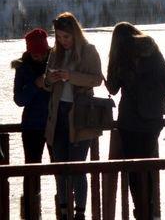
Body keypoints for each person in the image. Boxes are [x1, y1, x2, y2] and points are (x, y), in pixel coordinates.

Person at [106, 23, 165, 220]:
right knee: (147, 166)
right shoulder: (152, 49)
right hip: (153, 120)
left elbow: (112, 88)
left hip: (129, 121)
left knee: (134, 168)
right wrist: (153, 98)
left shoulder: (120, 54)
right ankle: (149, 209)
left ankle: (141, 210)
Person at [44, 13, 103, 220]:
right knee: (59, 166)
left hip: (80, 115)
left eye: (66, 37)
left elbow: (97, 80)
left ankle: (80, 212)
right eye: (59, 37)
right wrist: (50, 79)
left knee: (78, 166)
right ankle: (63, 209)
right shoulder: (55, 53)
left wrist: (71, 77)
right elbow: (46, 83)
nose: (62, 41)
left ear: (75, 34)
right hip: (58, 115)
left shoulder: (89, 51)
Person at [12, 28, 52, 219]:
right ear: (29, 51)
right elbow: (19, 99)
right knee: (31, 170)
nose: (39, 56)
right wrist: (35, 85)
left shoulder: (56, 63)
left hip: (55, 124)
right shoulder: (23, 69)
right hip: (32, 127)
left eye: (42, 53)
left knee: (61, 168)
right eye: (35, 53)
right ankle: (30, 212)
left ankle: (64, 208)